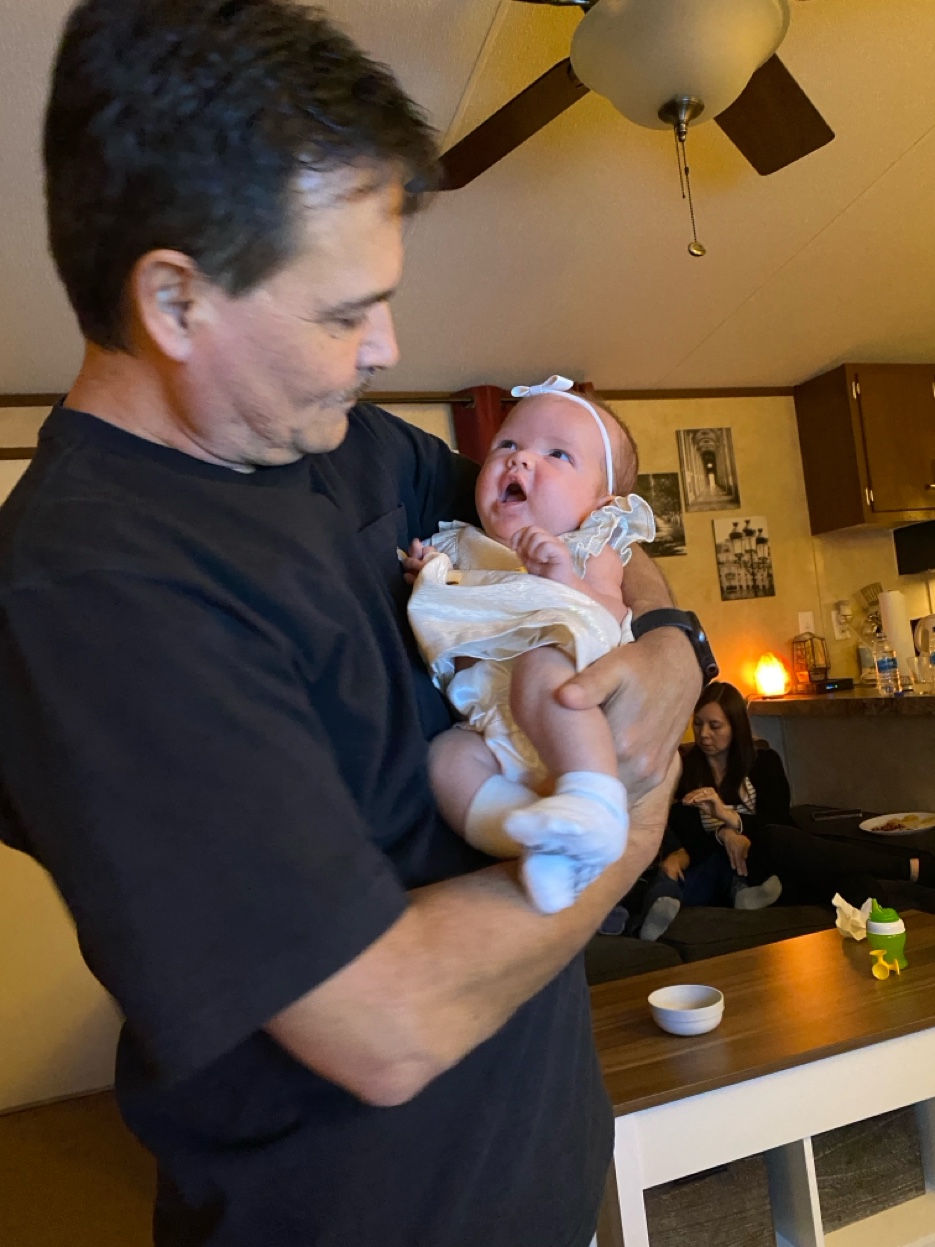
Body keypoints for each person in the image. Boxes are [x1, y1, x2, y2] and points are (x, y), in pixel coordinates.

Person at [0, 4, 706, 1246]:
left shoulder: (338, 438)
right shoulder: (94, 597)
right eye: (340, 314)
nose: (383, 348)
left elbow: (598, 530)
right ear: (173, 299)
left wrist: (666, 648)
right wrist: (635, 820)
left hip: (541, 1182)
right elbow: (385, 1024)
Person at [406, 375, 655, 914]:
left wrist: (563, 575)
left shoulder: (590, 548)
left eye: (557, 454)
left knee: (540, 660)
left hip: (572, 715)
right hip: (493, 727)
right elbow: (460, 620)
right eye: (508, 445)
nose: (520, 462)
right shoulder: (467, 544)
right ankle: (541, 843)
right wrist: (434, 578)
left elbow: (607, 616)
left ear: (599, 505)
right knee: (445, 760)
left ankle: (594, 799)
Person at [637, 682, 935, 941]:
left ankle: (896, 945)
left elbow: (777, 820)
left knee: (853, 881)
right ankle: (911, 867)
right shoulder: (685, 771)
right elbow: (690, 841)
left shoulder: (764, 762)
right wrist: (724, 833)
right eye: (698, 723)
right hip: (741, 875)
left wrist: (733, 820)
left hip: (784, 864)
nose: (703, 734)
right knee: (774, 840)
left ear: (735, 726)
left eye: (715, 726)